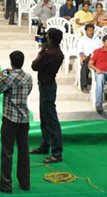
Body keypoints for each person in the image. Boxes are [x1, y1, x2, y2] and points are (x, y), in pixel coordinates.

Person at [0, 50, 32, 194]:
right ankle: (25, 183)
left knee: (7, 152)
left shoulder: (8, 78)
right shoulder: (28, 77)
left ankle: (6, 184)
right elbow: (28, 91)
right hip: (24, 119)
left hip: (10, 119)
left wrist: (0, 77)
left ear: (11, 63)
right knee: (24, 151)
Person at [30, 28, 64, 163]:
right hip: (49, 85)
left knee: (51, 120)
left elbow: (34, 66)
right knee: (45, 118)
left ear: (50, 39)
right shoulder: (58, 52)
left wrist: (42, 50)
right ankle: (45, 146)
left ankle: (57, 153)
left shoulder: (49, 53)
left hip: (47, 87)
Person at [77, 24, 102, 93]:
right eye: (89, 30)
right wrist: (82, 55)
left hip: (97, 58)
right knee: (85, 65)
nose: (91, 32)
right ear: (86, 31)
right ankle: (84, 86)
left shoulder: (97, 40)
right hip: (87, 58)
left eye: (92, 30)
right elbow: (80, 50)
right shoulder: (82, 40)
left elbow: (101, 49)